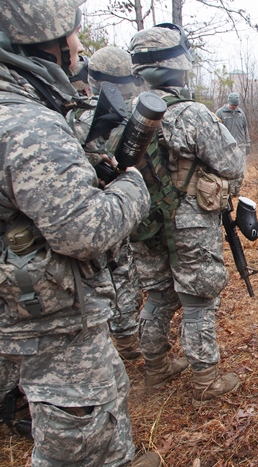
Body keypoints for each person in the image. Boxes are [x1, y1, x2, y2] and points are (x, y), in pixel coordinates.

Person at [0, 1, 157, 465]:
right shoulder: (27, 124)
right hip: (49, 317)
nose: (80, 47)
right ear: (43, 42)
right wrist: (132, 183)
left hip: (22, 303)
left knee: (98, 399)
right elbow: (85, 231)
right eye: (72, 36)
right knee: (77, 421)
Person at [128, 23, 247, 402]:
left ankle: (156, 369)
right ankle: (205, 381)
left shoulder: (128, 113)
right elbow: (231, 163)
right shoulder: (192, 113)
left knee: (159, 296)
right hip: (190, 223)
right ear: (177, 65)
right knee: (197, 302)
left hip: (144, 222)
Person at [67, 46, 147, 361]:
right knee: (121, 272)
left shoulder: (74, 112)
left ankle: (123, 336)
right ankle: (127, 343)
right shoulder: (99, 116)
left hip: (96, 207)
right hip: (104, 209)